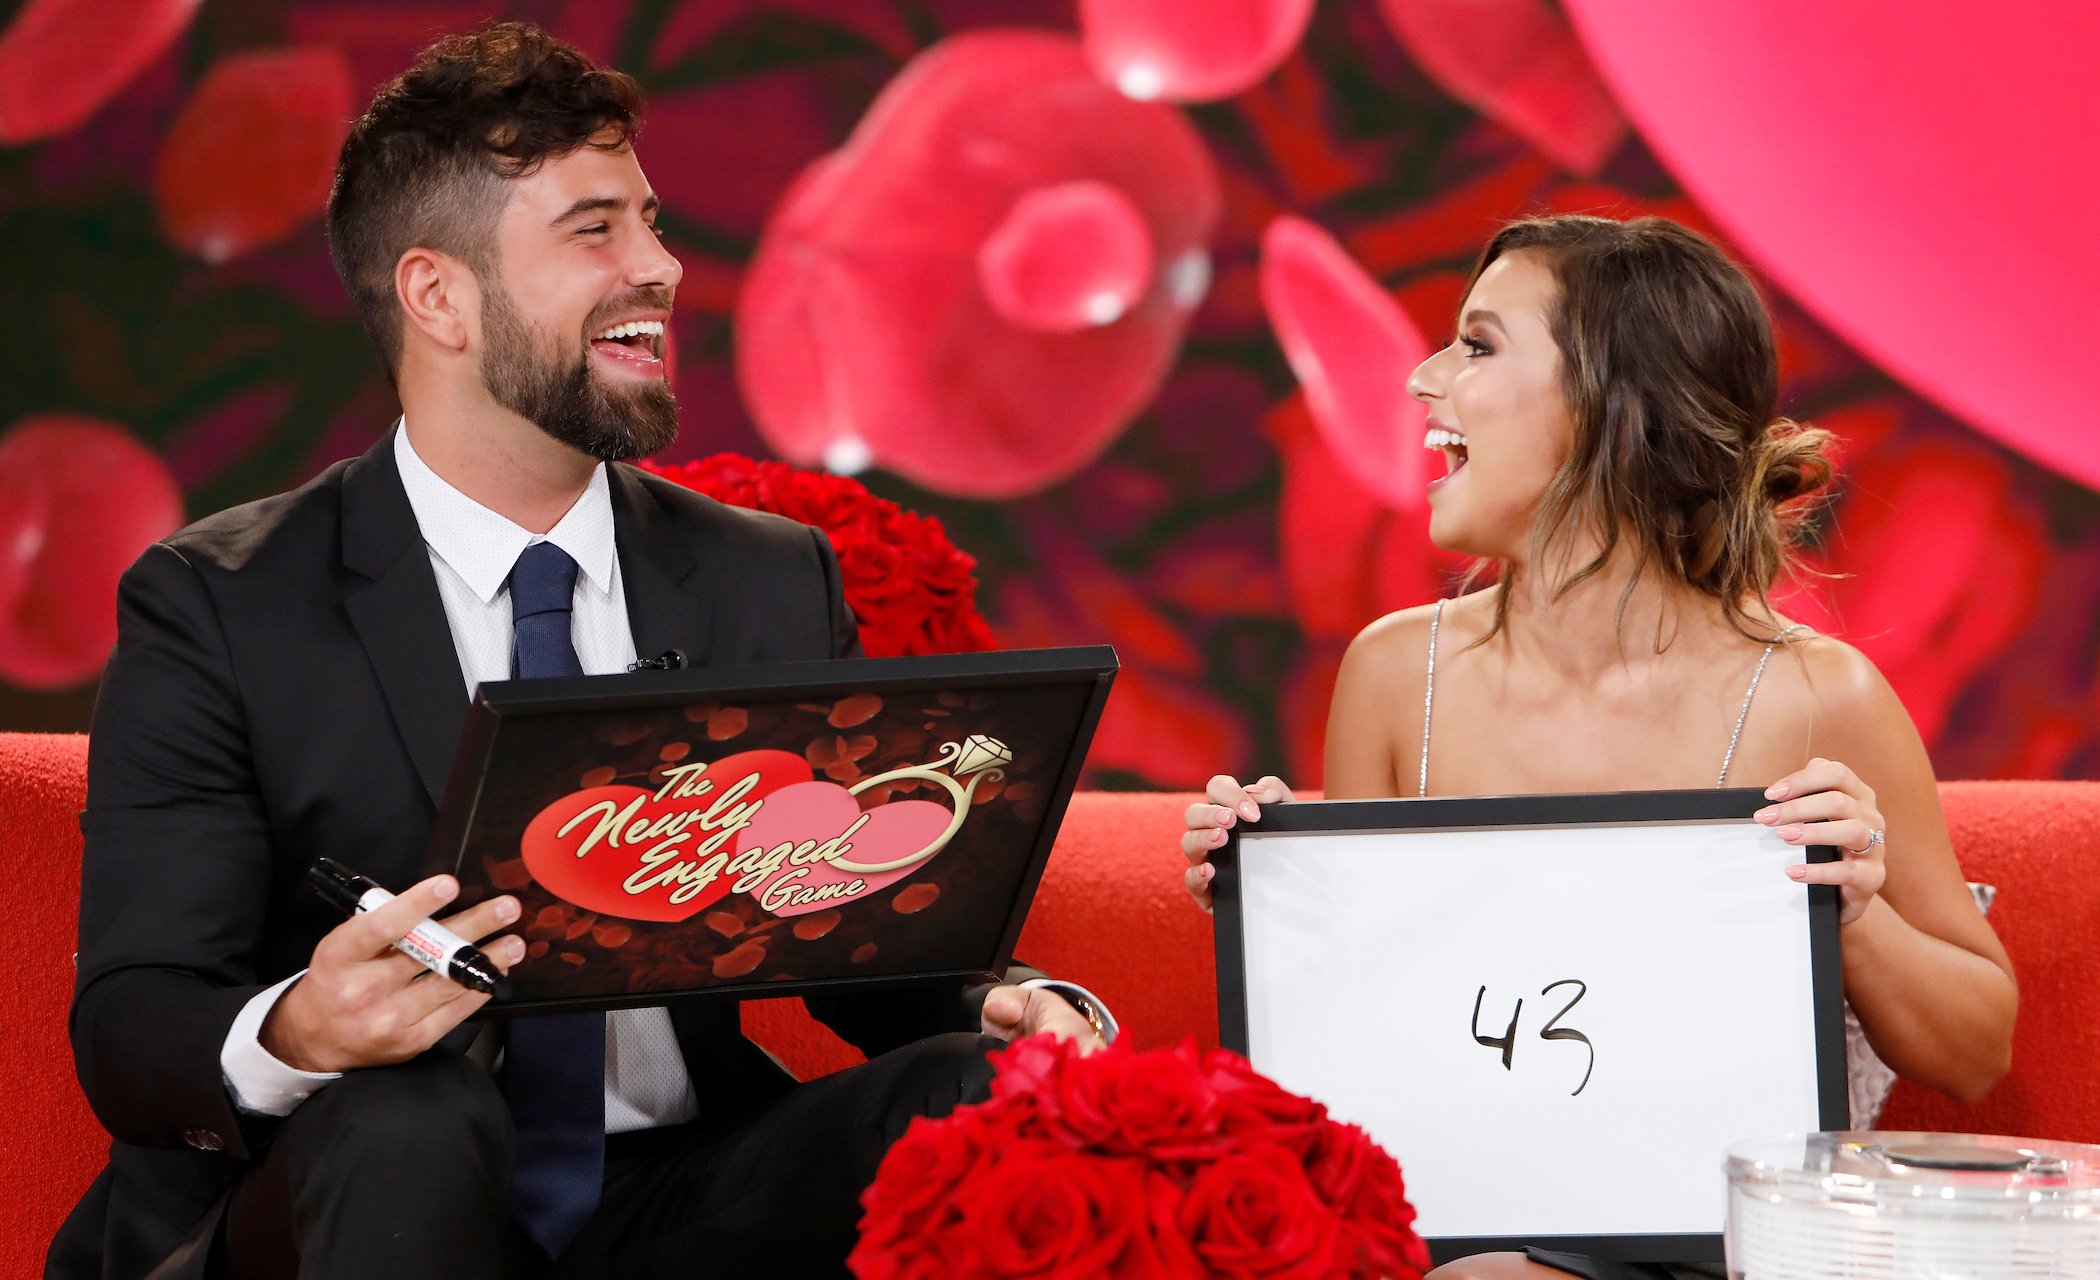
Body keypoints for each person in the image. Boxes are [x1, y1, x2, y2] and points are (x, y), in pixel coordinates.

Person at [53, 23, 1112, 1280]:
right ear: (436, 294)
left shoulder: (765, 575)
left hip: (679, 1189)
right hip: (361, 1187)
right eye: (594, 229)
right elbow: (137, 1019)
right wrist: (301, 1025)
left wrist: (997, 1003)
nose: (659, 266)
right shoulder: (220, 602)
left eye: (652, 223)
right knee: (412, 1110)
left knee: (967, 1086)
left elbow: (856, 943)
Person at [1179, 215, 2016, 1280]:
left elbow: (1977, 1052)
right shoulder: (1397, 676)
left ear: (1613, 406)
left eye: (1477, 346)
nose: (1421, 380)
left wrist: (1854, 908)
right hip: (1469, 1222)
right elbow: (1385, 1039)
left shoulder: (1818, 693)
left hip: (1718, 1240)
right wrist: (1276, 894)